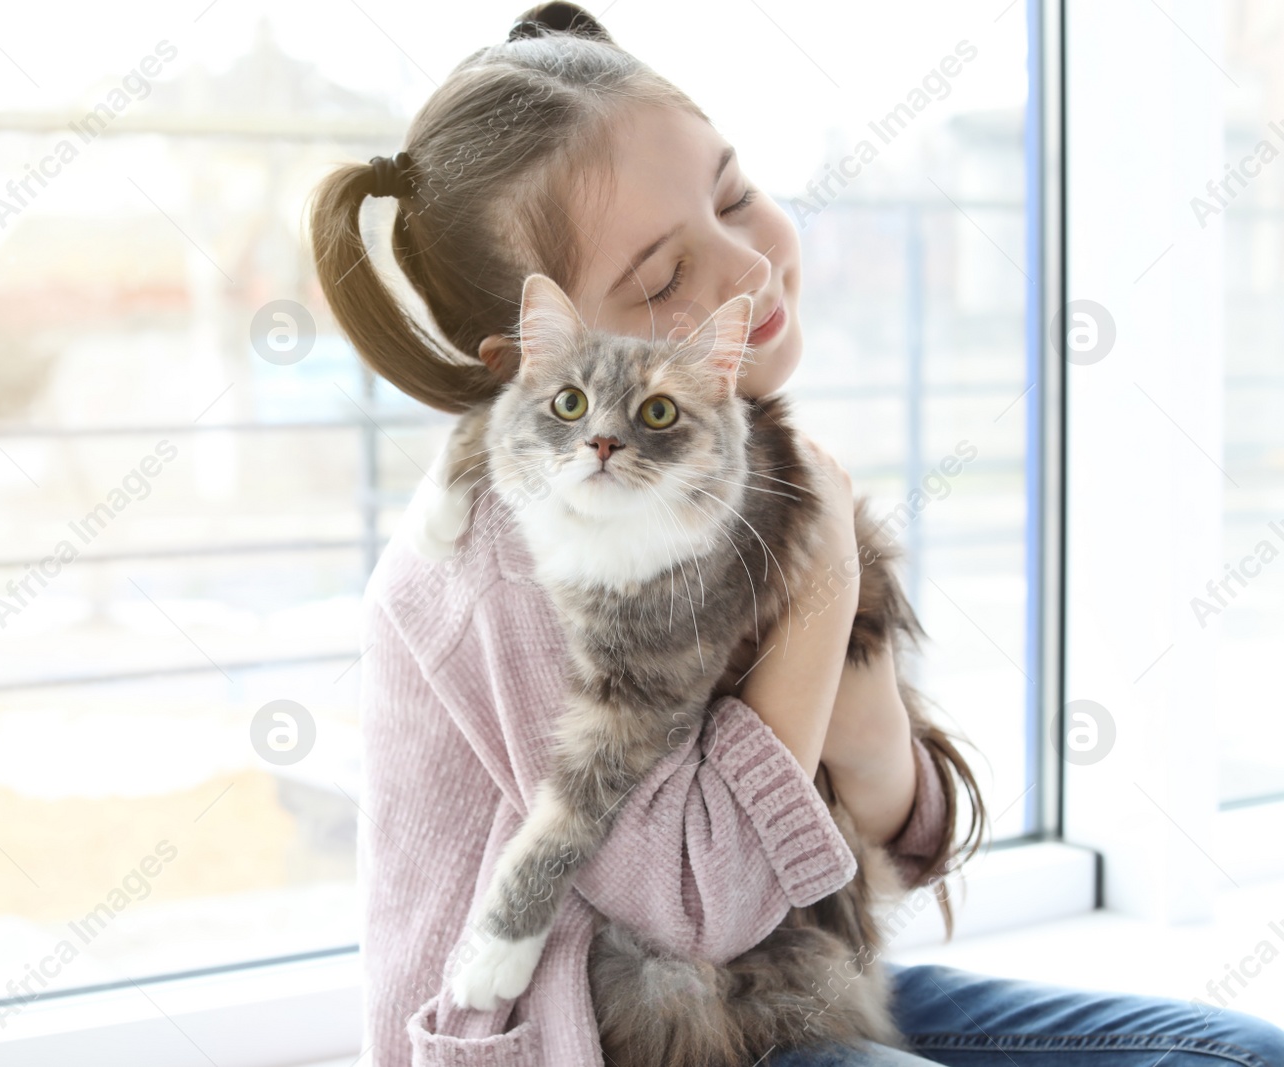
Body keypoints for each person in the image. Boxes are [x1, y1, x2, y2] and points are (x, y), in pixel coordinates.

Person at [307, 4, 1284, 1064]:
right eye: (662, 279)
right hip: (606, 1035)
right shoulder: (508, 550)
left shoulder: (738, 461)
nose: (747, 268)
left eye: (734, 195)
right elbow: (693, 901)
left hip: (784, 997)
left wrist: (863, 725)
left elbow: (900, 844)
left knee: (1234, 1053)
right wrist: (821, 577)